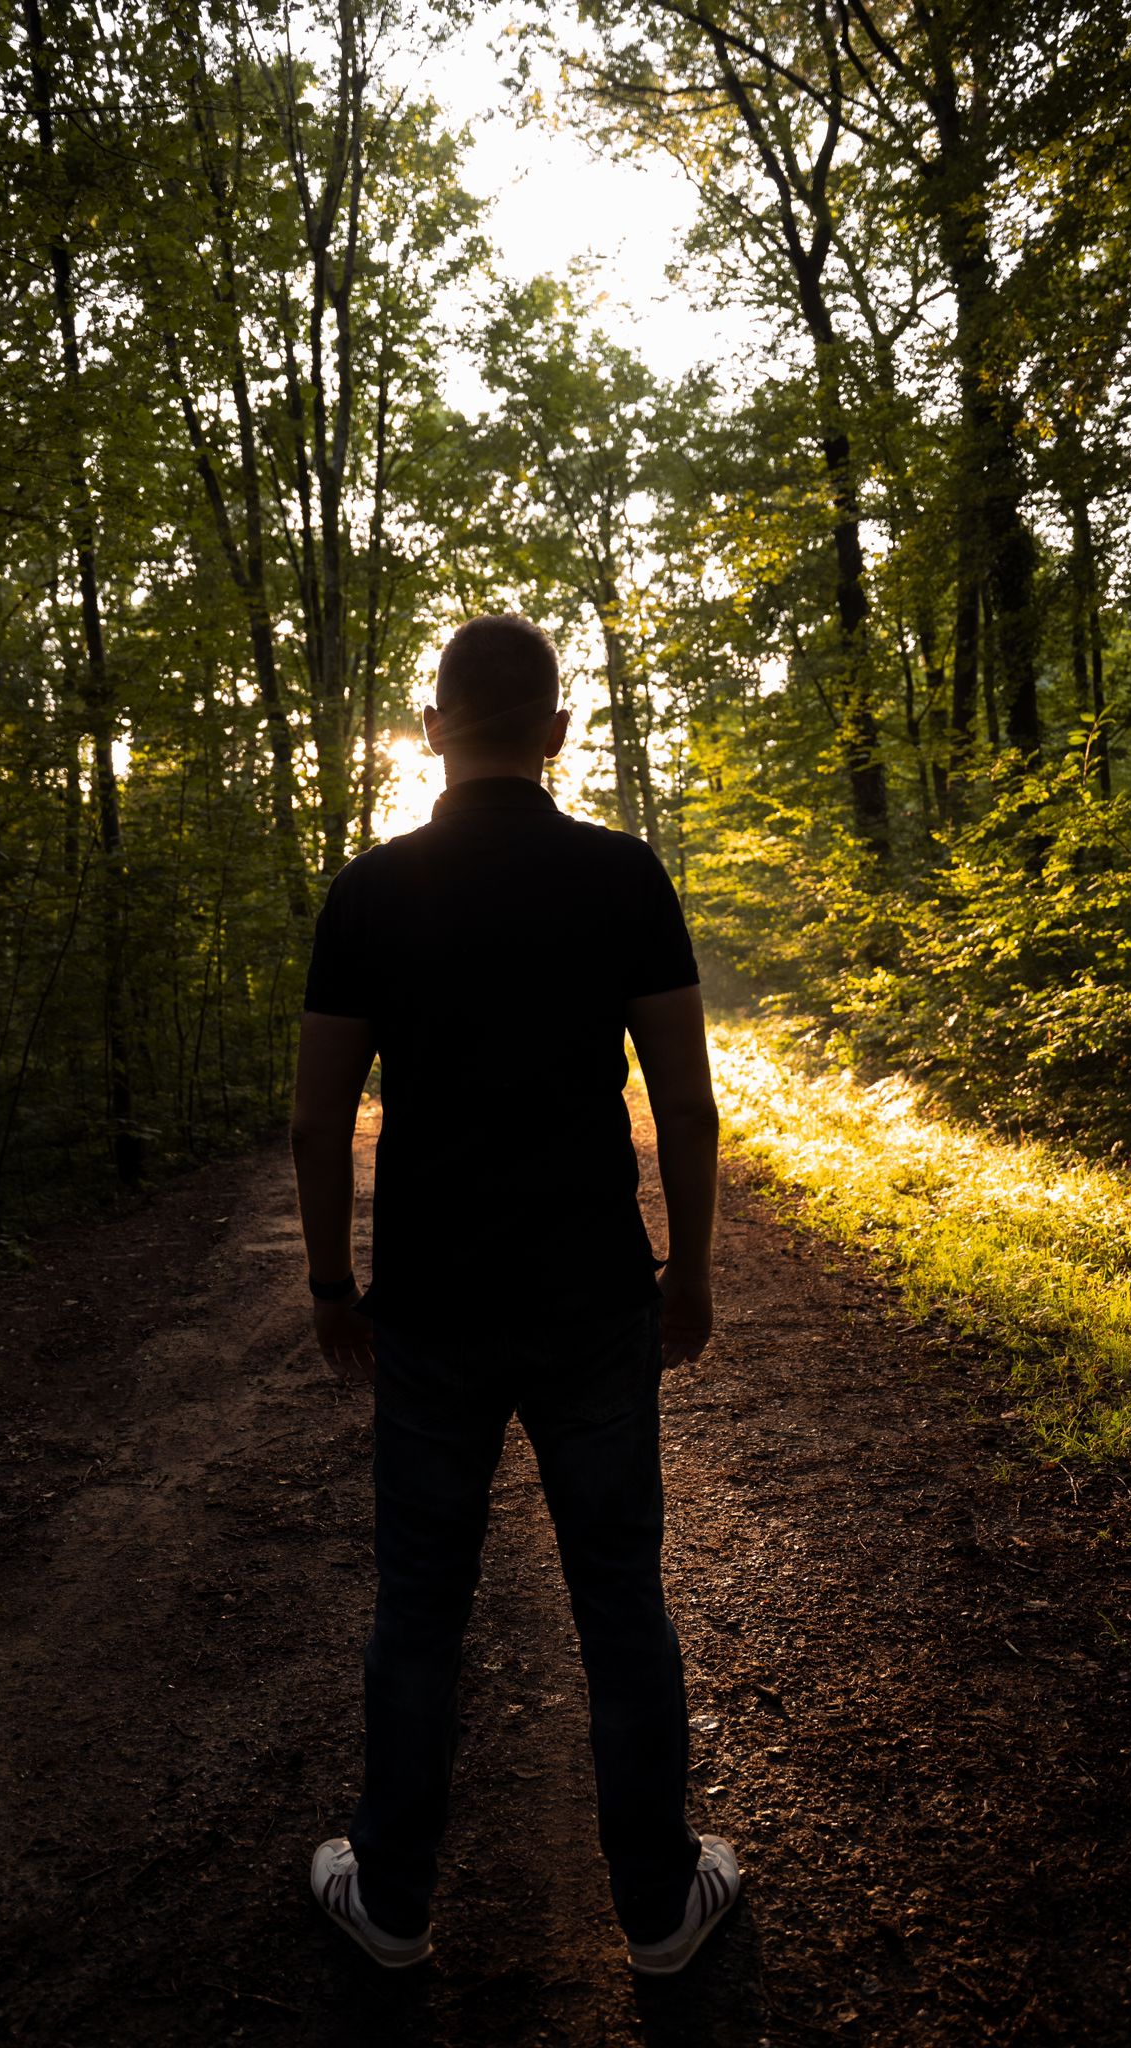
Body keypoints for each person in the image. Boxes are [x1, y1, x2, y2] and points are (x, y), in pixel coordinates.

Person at [290, 613, 739, 1975]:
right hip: (594, 1297)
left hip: (427, 1305)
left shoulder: (369, 893)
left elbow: (317, 1121)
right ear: (554, 733)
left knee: (420, 1603)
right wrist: (692, 1268)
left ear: (432, 730)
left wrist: (330, 1284)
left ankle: (392, 1901)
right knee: (619, 1598)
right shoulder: (621, 877)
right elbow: (686, 1102)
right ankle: (660, 1909)